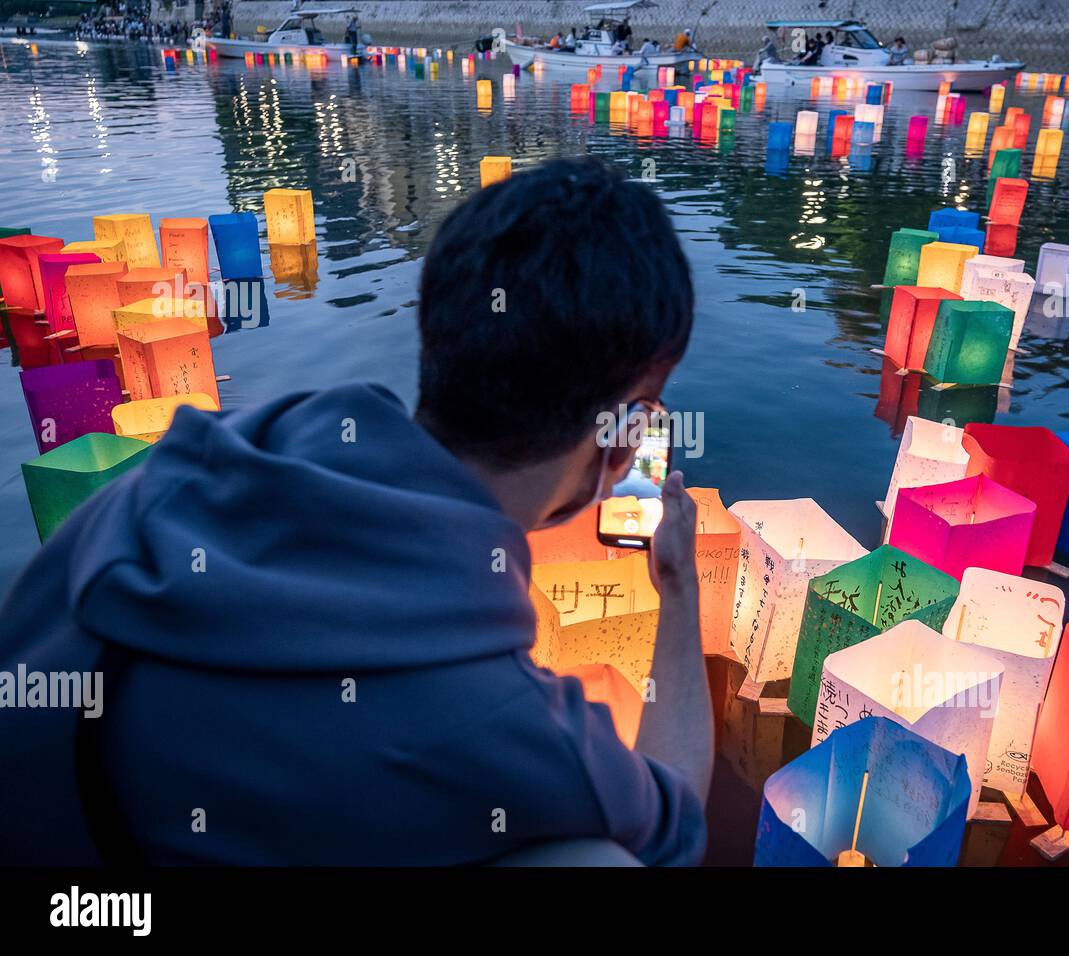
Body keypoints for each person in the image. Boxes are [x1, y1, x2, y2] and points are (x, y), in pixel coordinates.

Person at [0, 159, 711, 867]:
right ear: (623, 436)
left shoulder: (177, 475)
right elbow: (676, 820)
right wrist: (677, 590)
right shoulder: (507, 729)